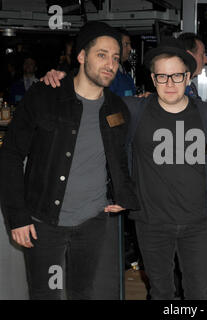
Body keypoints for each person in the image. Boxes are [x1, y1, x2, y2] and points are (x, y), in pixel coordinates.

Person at [0, 21, 139, 299]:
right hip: (44, 223)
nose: (110, 64)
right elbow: (11, 155)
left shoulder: (117, 107)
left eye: (115, 57)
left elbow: (117, 157)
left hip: (92, 222)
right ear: (81, 56)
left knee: (82, 292)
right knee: (46, 294)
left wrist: (120, 194)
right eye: (102, 55)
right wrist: (17, 218)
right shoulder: (45, 94)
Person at [122, 37, 207, 300]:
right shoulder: (134, 110)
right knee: (161, 292)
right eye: (162, 77)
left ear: (188, 77)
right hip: (151, 223)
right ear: (153, 79)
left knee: (198, 293)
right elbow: (92, 100)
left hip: (197, 224)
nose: (169, 83)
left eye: (176, 76)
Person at [178, 32, 207, 99]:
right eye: (202, 55)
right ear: (189, 56)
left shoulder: (191, 87)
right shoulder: (177, 91)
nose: (206, 60)